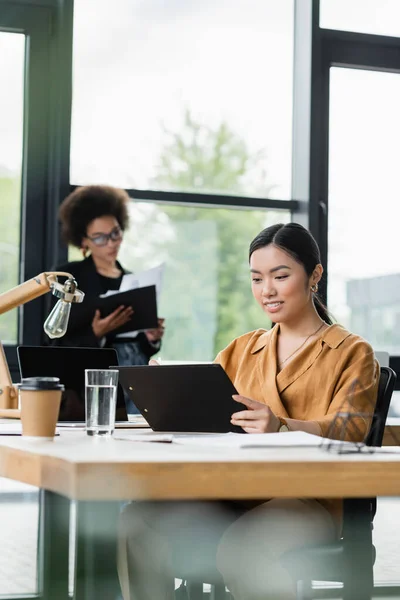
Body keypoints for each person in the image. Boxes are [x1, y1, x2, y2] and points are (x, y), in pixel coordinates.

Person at [117, 222, 379, 599]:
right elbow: (209, 414)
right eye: (257, 279)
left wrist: (282, 427)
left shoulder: (353, 352)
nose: (266, 290)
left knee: (244, 550)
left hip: (309, 500)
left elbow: (350, 431)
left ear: (314, 275)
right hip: (234, 489)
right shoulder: (242, 348)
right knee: (138, 522)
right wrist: (171, 399)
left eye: (280, 275)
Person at [51, 185, 165, 413]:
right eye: (100, 238)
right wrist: (96, 333)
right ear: (84, 241)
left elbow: (139, 346)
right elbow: (53, 342)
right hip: (95, 380)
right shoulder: (69, 277)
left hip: (136, 375)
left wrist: (151, 337)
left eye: (115, 233)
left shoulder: (132, 279)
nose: (112, 242)